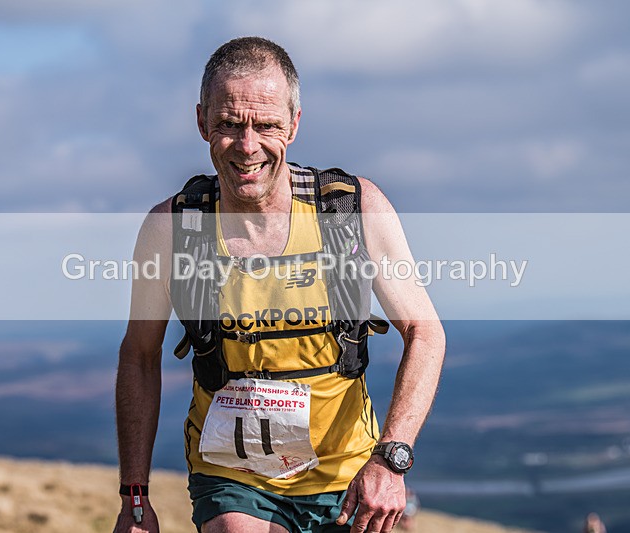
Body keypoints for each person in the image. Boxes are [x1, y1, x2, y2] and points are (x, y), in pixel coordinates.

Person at [114, 36, 445, 533]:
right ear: (201, 121)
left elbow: (425, 333)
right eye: (228, 124)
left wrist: (391, 460)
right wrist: (135, 500)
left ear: (293, 123)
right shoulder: (172, 228)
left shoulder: (352, 211)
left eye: (266, 125)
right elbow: (140, 356)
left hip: (348, 474)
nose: (248, 146)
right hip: (232, 475)